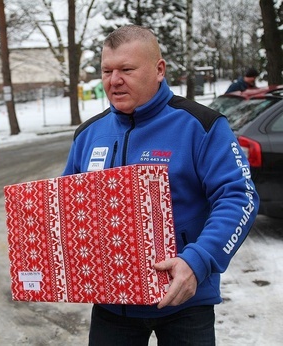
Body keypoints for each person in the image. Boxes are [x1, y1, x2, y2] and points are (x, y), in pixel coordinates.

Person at [62, 25, 259, 345]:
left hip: (186, 300)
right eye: (107, 71)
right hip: (113, 306)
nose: (114, 80)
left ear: (159, 69)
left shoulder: (202, 125)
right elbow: (67, 208)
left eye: (126, 69)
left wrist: (198, 262)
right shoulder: (88, 134)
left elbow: (239, 197)